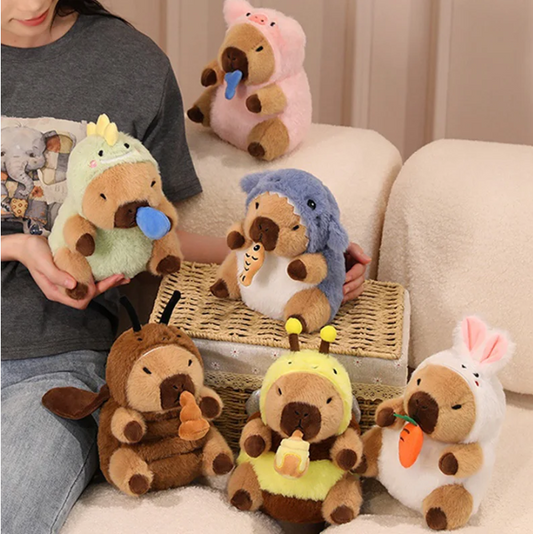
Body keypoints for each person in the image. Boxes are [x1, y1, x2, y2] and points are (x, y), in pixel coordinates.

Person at [0, 1, 370, 532]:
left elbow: (157, 239)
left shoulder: (129, 64)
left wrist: (298, 255)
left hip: (57, 366)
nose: (33, 5)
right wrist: (17, 247)